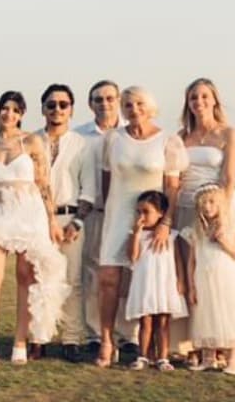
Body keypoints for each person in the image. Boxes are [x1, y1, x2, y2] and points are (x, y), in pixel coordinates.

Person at [0, 91, 69, 365]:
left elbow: (44, 184)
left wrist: (51, 221)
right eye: (4, 108)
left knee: (26, 277)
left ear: (22, 114)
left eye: (14, 110)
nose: (8, 114)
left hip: (29, 212)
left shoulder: (33, 142)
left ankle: (20, 344)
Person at [95, 86, 185, 367]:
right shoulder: (113, 139)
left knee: (147, 283)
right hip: (118, 215)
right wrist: (112, 209)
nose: (134, 110)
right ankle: (107, 342)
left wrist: (164, 222)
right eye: (129, 105)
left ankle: (150, 349)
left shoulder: (167, 141)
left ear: (150, 107)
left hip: (151, 224)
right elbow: (107, 180)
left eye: (139, 104)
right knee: (109, 279)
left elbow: (172, 187)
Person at [30, 84, 97, 361]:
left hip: (71, 218)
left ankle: (71, 338)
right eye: (51, 104)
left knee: (72, 281)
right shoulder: (31, 141)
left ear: (71, 109)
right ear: (43, 108)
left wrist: (77, 222)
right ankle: (38, 337)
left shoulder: (82, 144)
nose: (57, 109)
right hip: (37, 219)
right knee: (39, 279)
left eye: (63, 104)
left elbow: (89, 189)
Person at [173, 78, 235, 363]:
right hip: (186, 208)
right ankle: (193, 345)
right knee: (189, 276)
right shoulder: (181, 137)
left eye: (204, 96)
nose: (199, 102)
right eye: (193, 98)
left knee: (217, 276)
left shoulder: (227, 134)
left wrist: (222, 215)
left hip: (215, 209)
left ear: (214, 100)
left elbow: (229, 178)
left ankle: (222, 342)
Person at [74, 80, 121, 356]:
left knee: (123, 275)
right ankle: (94, 333)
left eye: (109, 98)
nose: (104, 104)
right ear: (90, 104)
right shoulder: (80, 137)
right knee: (92, 274)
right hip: (92, 213)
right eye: (98, 99)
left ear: (118, 100)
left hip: (125, 214)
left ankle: (127, 335)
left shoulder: (131, 134)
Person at [125, 191, 186, 371]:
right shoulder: (137, 234)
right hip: (146, 284)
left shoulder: (172, 235)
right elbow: (133, 257)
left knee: (164, 322)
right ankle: (143, 355)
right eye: (139, 212)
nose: (142, 217)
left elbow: (178, 260)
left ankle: (163, 357)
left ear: (160, 212)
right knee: (146, 321)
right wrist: (136, 234)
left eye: (146, 212)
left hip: (164, 282)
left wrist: (181, 280)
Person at [183, 184, 235, 374]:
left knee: (228, 316)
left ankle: (232, 361)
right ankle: (208, 358)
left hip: (226, 277)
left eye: (212, 202)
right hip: (203, 279)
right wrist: (191, 286)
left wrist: (223, 241)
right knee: (206, 315)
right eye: (203, 203)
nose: (207, 207)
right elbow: (191, 261)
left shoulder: (229, 228)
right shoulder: (196, 231)